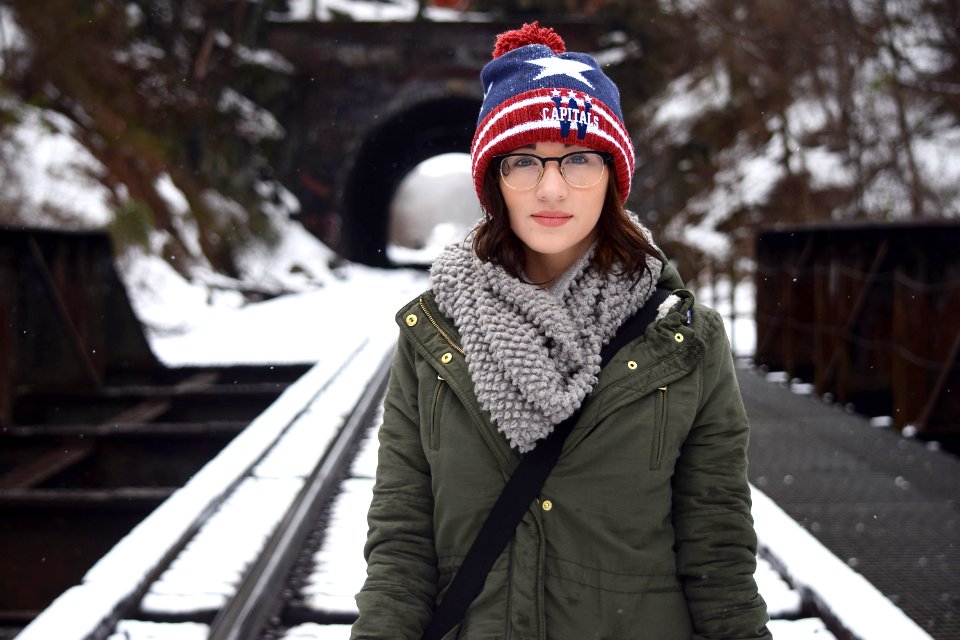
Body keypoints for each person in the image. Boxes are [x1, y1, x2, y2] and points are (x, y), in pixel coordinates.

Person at [351, 22, 771, 640]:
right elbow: (402, 545)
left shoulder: (683, 342)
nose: (551, 188)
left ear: (613, 177)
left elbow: (719, 556)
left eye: (578, 160)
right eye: (523, 162)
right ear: (495, 180)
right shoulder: (436, 335)